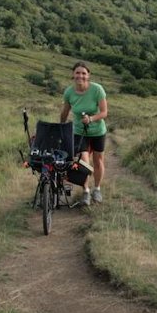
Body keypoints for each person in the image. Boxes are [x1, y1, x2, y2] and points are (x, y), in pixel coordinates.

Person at [59, 61, 109, 205]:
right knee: (84, 163)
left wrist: (91, 118)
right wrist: (61, 128)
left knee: (98, 161)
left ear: (88, 75)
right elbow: (65, 112)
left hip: (98, 131)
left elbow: (104, 112)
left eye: (83, 73)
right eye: (77, 73)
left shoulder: (97, 89)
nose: (80, 75)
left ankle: (97, 189)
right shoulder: (69, 92)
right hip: (79, 132)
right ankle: (86, 191)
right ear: (73, 74)